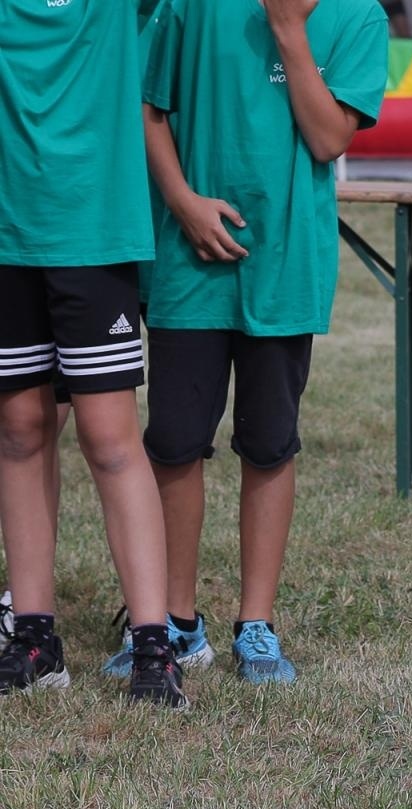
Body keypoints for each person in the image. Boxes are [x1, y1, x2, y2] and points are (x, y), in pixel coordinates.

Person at [121, 0, 388, 684]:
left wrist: (289, 30)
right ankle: (175, 624)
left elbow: (329, 140)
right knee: (175, 441)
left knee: (270, 442)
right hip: (189, 264)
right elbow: (148, 110)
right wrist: (182, 200)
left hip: (285, 266)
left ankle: (256, 625)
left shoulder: (358, 17)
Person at [0, 0, 186, 706]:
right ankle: (36, 638)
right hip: (10, 232)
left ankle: (153, 644)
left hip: (94, 232)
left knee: (110, 439)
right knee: (19, 431)